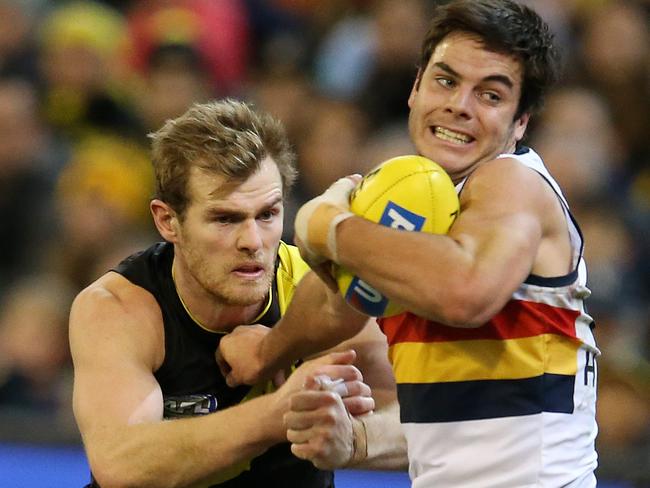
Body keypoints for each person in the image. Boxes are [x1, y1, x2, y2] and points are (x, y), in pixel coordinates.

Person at [218, 1, 600, 487]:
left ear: (520, 122)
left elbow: (465, 291)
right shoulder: (418, 200)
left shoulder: (514, 183)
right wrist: (277, 360)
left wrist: (330, 227)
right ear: (416, 88)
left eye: (490, 95)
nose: (459, 105)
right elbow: (345, 306)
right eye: (446, 81)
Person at [68, 99, 403, 488]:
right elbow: (122, 463)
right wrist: (279, 413)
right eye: (225, 219)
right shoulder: (120, 308)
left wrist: (350, 440)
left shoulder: (320, 293)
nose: (253, 241)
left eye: (267, 215)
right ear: (167, 221)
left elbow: (425, 421)